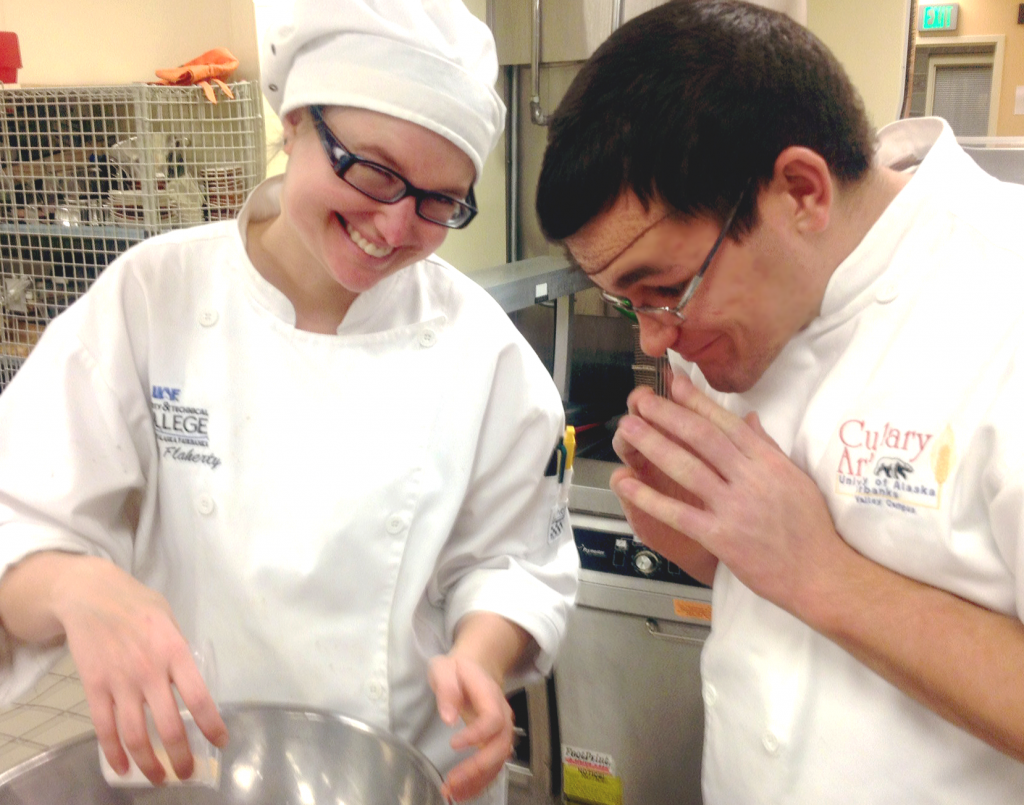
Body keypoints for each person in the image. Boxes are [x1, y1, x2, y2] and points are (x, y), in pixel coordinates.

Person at [0, 1, 579, 802]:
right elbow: (18, 514)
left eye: (439, 200)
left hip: (403, 776)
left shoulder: (484, 351)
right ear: (297, 121)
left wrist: (481, 655)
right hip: (191, 774)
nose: (394, 225)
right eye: (373, 171)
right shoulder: (151, 298)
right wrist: (73, 585)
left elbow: (513, 563)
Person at [535, 1, 1024, 802]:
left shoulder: (1005, 297)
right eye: (629, 302)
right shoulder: (724, 317)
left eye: (665, 288)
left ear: (801, 191)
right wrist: (708, 548)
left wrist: (820, 571)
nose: (655, 338)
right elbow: (775, 615)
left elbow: (808, 576)